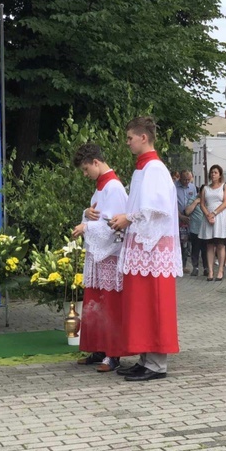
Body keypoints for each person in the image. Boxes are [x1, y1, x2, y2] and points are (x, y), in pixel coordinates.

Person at [110, 116, 182, 381]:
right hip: (142, 247)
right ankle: (145, 358)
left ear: (143, 138)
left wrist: (128, 218)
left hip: (154, 250)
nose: (127, 142)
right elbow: (139, 206)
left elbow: (157, 208)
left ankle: (156, 364)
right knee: (141, 305)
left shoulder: (155, 169)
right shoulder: (141, 169)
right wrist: (124, 218)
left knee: (153, 304)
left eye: (130, 138)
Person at [72, 143, 129, 372]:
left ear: (96, 162)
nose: (86, 174)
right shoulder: (100, 186)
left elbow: (113, 225)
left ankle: (113, 353)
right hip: (99, 255)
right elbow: (96, 215)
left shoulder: (113, 187)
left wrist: (85, 227)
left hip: (110, 253)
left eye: (86, 169)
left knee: (110, 303)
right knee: (96, 302)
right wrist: (85, 215)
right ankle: (99, 347)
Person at [199, 164, 226, 281]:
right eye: (212, 172)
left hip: (220, 216)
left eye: (216, 172)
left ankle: (221, 270)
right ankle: (211, 271)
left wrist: (214, 213)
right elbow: (202, 203)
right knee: (209, 245)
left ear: (220, 175)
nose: (213, 174)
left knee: (220, 245)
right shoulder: (205, 188)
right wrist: (208, 214)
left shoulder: (224, 186)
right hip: (208, 216)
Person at [184, 185, 208, 277]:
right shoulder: (193, 199)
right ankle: (195, 268)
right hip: (195, 230)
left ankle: (206, 268)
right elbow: (187, 212)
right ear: (199, 192)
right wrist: (195, 202)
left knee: (206, 250)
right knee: (195, 250)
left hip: (206, 230)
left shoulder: (209, 201)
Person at [177, 170, 196, 273]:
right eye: (184, 179)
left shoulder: (192, 187)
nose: (186, 181)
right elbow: (171, 203)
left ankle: (184, 265)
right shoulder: (174, 187)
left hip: (189, 219)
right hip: (177, 218)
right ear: (180, 177)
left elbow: (194, 201)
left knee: (186, 243)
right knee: (178, 243)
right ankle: (176, 264)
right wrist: (180, 215)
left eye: (188, 180)